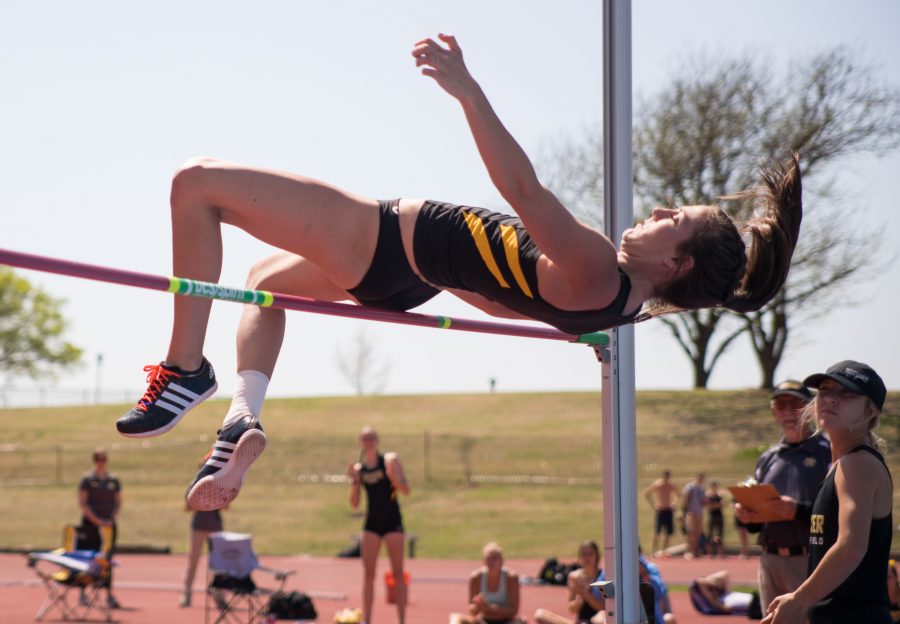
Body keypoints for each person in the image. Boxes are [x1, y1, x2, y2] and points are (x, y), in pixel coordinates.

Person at [112, 33, 804, 511]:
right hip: (410, 278)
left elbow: (525, 193)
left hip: (380, 240)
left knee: (195, 184)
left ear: (676, 262)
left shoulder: (599, 265)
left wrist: (468, 91)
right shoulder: (620, 307)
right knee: (263, 283)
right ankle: (241, 418)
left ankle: (184, 370)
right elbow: (510, 303)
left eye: (670, 219)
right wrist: (445, 273)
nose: (655, 209)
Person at [763, 361, 892, 624]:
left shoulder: (856, 463)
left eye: (847, 393)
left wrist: (800, 600)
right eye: (825, 389)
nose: (831, 398)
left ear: (870, 411)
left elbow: (850, 547)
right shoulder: (842, 464)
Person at [734, 380, 830, 611]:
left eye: (795, 404)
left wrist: (798, 510)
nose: (788, 411)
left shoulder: (828, 452)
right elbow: (757, 524)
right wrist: (746, 516)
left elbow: (838, 510)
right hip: (769, 560)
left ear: (811, 408)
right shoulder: (769, 457)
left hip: (808, 559)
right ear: (773, 412)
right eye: (781, 405)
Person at [348, 427, 410, 624]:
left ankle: (401, 620)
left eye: (372, 438)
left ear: (377, 441)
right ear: (361, 442)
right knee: (368, 575)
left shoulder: (390, 461)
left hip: (393, 522)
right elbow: (355, 503)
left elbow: (406, 490)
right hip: (372, 523)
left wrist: (392, 476)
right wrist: (355, 482)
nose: (369, 442)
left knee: (398, 574)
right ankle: (367, 620)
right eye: (365, 439)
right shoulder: (360, 469)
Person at [77, 447, 122, 609]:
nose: (101, 463)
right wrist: (96, 520)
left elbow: (118, 502)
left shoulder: (113, 479)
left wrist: (109, 519)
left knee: (107, 560)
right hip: (90, 525)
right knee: (88, 558)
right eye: (98, 459)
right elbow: (83, 503)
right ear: (94, 460)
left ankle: (108, 594)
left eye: (103, 459)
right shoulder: (87, 479)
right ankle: (82, 593)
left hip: (109, 525)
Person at [180, 456, 226, 607]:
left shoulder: (219, 483)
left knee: (218, 564)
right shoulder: (193, 484)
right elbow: (188, 507)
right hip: (199, 526)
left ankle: (219, 596)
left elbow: (226, 505)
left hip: (215, 526)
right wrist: (198, 498)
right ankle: (186, 594)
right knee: (193, 561)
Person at [449, 542, 526, 624]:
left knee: (520, 621)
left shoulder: (511, 578)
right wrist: (477, 606)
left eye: (494, 558)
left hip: (506, 621)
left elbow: (514, 611)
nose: (491, 562)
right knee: (455, 617)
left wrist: (490, 608)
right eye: (488, 559)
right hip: (483, 621)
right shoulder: (476, 577)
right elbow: (472, 611)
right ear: (483, 561)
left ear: (501, 561)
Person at [534, 540, 604, 624]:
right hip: (580, 622)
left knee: (600, 618)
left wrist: (585, 593)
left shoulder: (603, 576)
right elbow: (571, 609)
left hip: (598, 621)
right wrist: (580, 599)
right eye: (584, 554)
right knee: (540, 614)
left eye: (590, 554)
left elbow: (603, 608)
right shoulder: (574, 577)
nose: (587, 558)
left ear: (597, 556)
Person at [643, 469, 680, 557]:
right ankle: (653, 551)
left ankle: (664, 551)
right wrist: (653, 505)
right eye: (665, 476)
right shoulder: (658, 484)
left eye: (668, 476)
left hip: (668, 510)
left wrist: (674, 503)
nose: (666, 478)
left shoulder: (671, 485)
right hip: (661, 510)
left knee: (668, 532)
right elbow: (647, 493)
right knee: (657, 532)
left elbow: (679, 495)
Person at [690, 570, 756, 615]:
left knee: (755, 599)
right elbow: (722, 607)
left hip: (729, 597)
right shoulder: (700, 585)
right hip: (727, 602)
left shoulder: (722, 592)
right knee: (755, 602)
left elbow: (725, 573)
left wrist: (715, 583)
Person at [681, 473, 706, 558]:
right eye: (700, 478)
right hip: (691, 512)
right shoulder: (690, 487)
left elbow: (703, 501)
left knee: (697, 533)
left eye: (702, 478)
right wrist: (685, 511)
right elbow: (684, 499)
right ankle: (687, 551)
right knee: (690, 532)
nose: (701, 480)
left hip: (700, 512)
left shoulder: (702, 489)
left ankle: (693, 551)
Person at [705, 480, 725, 557]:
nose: (714, 487)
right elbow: (709, 506)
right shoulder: (708, 495)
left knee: (720, 535)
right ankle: (709, 553)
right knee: (710, 534)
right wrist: (717, 505)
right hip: (712, 516)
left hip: (719, 516)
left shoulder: (719, 495)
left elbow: (723, 504)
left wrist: (715, 505)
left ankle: (720, 552)